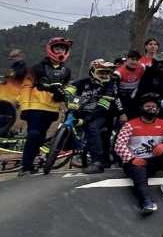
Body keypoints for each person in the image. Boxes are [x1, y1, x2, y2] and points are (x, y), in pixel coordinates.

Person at [114, 93, 163, 216]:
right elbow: (119, 145)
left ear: (158, 110)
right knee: (139, 176)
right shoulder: (130, 125)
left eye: (154, 107)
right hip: (135, 163)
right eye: (147, 106)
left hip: (154, 162)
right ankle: (147, 202)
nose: (151, 109)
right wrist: (132, 158)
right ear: (141, 108)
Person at [18, 37, 73, 176]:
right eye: (57, 48)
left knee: (41, 137)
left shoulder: (66, 71)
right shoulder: (37, 67)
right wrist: (24, 106)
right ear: (51, 49)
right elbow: (25, 86)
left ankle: (33, 161)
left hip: (51, 109)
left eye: (63, 48)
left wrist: (63, 98)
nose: (60, 51)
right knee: (33, 134)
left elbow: (66, 88)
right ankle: (25, 167)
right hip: (34, 107)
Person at [69, 58, 120, 174]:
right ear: (93, 71)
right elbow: (70, 89)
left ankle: (97, 163)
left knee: (92, 128)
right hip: (82, 112)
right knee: (67, 121)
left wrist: (86, 119)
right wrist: (65, 93)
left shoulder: (110, 85)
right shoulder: (83, 82)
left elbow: (103, 107)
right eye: (101, 72)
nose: (105, 75)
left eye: (107, 72)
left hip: (101, 114)